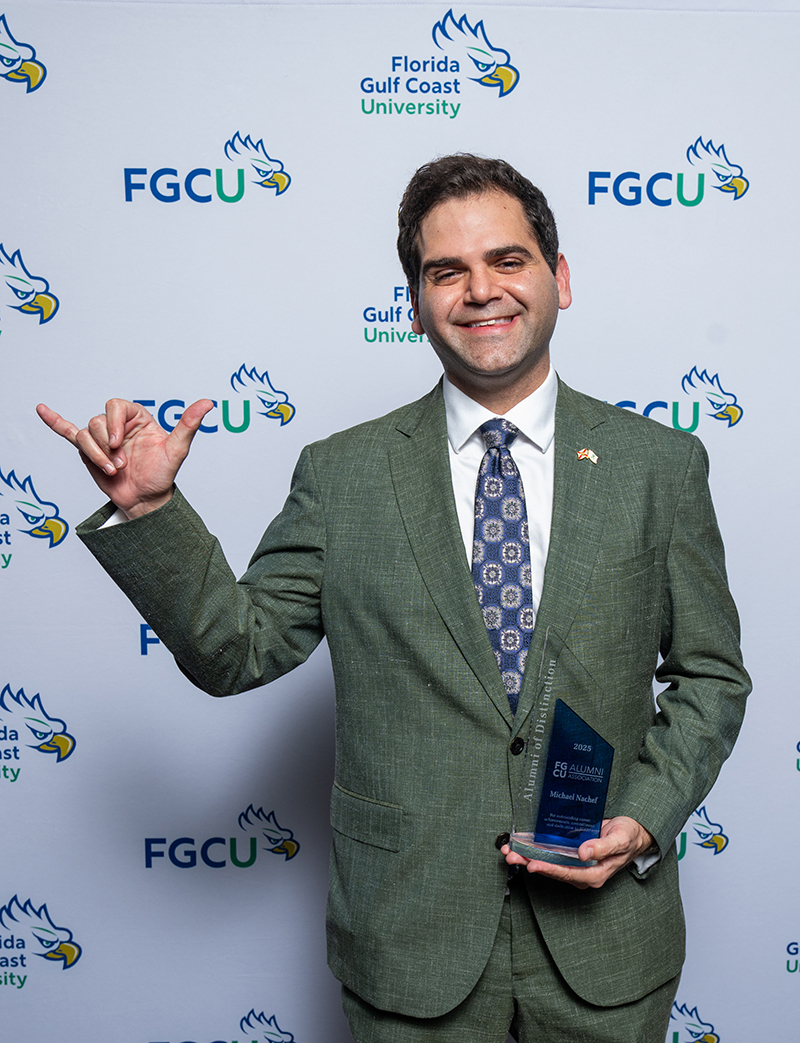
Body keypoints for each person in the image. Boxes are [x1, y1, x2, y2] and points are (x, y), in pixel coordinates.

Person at [38, 154, 750, 1043]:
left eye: (508, 260)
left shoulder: (660, 465)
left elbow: (712, 678)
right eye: (446, 271)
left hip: (607, 954)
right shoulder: (343, 475)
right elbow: (236, 648)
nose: (480, 290)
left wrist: (646, 816)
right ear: (415, 303)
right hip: (410, 950)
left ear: (560, 280)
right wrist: (150, 512)